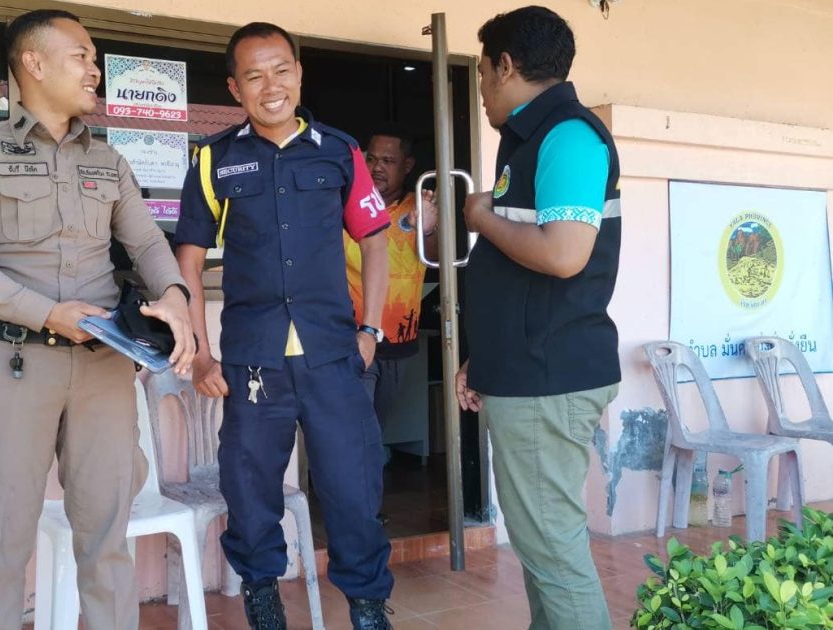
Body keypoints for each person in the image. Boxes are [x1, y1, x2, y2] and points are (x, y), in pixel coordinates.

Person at [0, 10, 195, 630]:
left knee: (107, 538)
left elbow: (148, 244)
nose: (95, 69)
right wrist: (46, 313)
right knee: (3, 538)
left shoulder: (109, 160)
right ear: (34, 63)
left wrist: (176, 295)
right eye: (82, 56)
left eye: (94, 59)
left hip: (104, 367)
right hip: (16, 364)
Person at [174, 22, 396, 630]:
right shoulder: (214, 160)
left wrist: (370, 331)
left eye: (280, 71)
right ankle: (263, 596)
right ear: (234, 88)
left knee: (353, 485)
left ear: (298, 74)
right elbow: (188, 260)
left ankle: (367, 606)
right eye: (254, 76)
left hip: (332, 354)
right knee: (249, 488)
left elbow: (375, 241)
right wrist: (200, 354)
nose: (270, 87)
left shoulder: (338, 151)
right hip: (254, 359)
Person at [452, 6, 622, 629]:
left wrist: (480, 217)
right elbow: (522, 278)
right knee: (540, 548)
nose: (482, 91)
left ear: (505, 65)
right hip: (528, 369)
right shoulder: (530, 140)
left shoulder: (567, 136)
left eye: (481, 75)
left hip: (548, 377)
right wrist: (485, 358)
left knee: (553, 551)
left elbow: (563, 254)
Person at [344, 128, 437, 471]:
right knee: (360, 427)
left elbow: (438, 258)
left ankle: (365, 491)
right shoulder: (346, 203)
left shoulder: (419, 205)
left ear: (407, 165)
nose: (377, 167)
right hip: (355, 339)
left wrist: (428, 229)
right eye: (371, 159)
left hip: (400, 345)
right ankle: (360, 498)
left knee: (375, 428)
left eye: (388, 160)